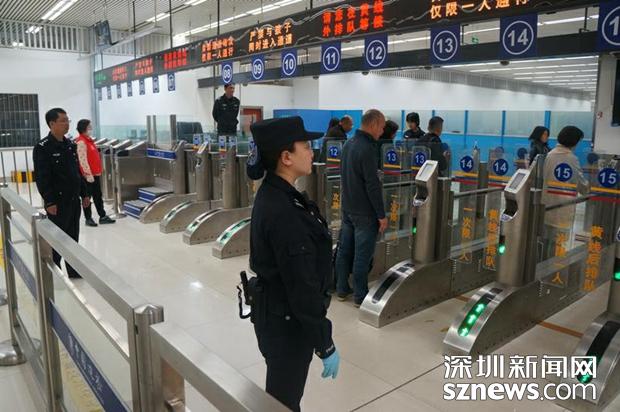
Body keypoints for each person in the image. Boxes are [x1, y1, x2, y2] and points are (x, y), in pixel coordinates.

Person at [246, 116, 339, 411]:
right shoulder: (283, 210)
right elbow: (301, 285)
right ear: (286, 157)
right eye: (306, 146)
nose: (312, 152)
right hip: (286, 326)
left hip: (278, 316)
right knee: (283, 402)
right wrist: (324, 342)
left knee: (282, 397)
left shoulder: (279, 194)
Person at [335, 109, 387, 307]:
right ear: (373, 124)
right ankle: (360, 295)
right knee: (362, 255)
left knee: (344, 250)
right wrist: (381, 215)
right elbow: (372, 185)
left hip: (348, 208)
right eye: (381, 127)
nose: (382, 131)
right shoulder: (367, 148)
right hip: (365, 212)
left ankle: (341, 288)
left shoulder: (348, 144)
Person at [33, 108, 90, 279]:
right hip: (57, 203)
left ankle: (73, 270)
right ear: (52, 124)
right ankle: (55, 273)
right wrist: (49, 201)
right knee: (57, 239)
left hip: (73, 200)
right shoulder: (43, 147)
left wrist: (84, 194)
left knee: (72, 237)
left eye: (67, 120)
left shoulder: (69, 145)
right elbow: (42, 177)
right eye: (63, 121)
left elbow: (76, 172)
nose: (67, 124)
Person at [541, 126, 589, 261]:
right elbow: (581, 183)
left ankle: (542, 267)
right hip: (563, 207)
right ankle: (551, 269)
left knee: (545, 242)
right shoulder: (571, 158)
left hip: (546, 206)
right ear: (574, 141)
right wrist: (588, 189)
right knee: (558, 245)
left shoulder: (549, 155)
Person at [75, 119, 115, 227]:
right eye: (89, 127)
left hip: (95, 174)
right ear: (84, 128)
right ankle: (88, 218)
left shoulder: (89, 141)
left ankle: (102, 216)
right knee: (87, 197)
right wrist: (88, 175)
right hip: (88, 176)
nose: (91, 128)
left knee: (98, 196)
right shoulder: (81, 142)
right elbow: (82, 161)